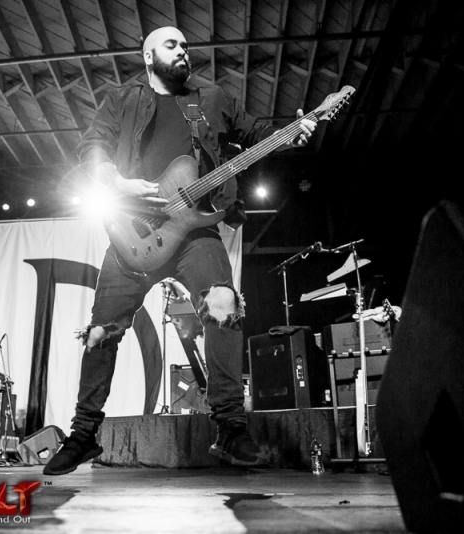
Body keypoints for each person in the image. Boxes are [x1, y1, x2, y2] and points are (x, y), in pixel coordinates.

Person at [43, 26, 316, 476]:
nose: (183, 50)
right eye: (171, 45)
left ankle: (230, 428)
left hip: (195, 230)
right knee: (100, 333)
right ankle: (83, 433)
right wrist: (116, 182)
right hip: (133, 230)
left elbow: (257, 132)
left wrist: (292, 133)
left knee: (224, 303)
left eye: (186, 46)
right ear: (148, 56)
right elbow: (91, 146)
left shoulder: (212, 99)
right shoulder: (123, 99)